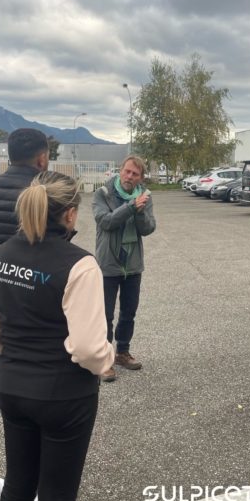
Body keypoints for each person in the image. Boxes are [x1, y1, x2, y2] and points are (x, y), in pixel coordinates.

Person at [0, 171, 114, 501]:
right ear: (69, 214)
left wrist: (19, 348)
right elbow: (88, 349)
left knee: (18, 488)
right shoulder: (80, 265)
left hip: (13, 388)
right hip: (65, 397)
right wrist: (107, 359)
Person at [0, 128, 49, 501]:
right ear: (42, 157)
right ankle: (29, 494)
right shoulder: (43, 196)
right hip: (30, 317)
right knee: (32, 405)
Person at [93, 155, 156, 382]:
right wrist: (130, 207)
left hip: (132, 264)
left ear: (141, 177)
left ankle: (122, 352)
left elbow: (148, 228)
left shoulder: (145, 196)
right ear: (120, 170)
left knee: (129, 312)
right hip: (108, 263)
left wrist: (139, 211)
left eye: (135, 174)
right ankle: (104, 360)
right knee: (105, 315)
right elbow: (106, 222)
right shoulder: (103, 194)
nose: (129, 176)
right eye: (127, 171)